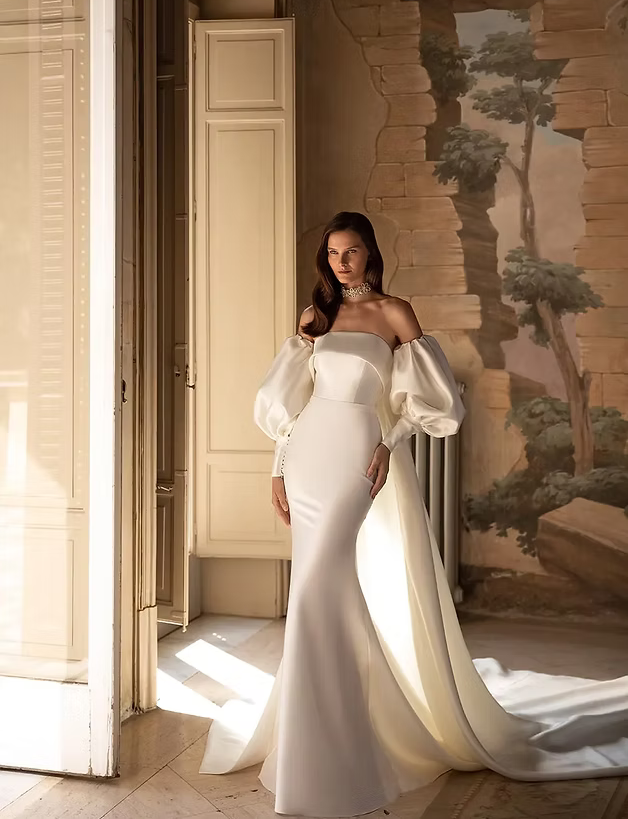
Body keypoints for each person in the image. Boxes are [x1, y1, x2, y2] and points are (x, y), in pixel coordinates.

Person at [200, 211, 628, 817]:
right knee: (315, 588)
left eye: (351, 251)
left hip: (357, 453)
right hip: (307, 453)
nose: (341, 262)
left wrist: (387, 444)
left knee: (319, 584)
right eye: (332, 253)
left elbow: (435, 403)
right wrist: (277, 467)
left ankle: (338, 742)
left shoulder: (396, 313)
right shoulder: (314, 317)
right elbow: (291, 402)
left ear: (370, 252)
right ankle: (321, 734)